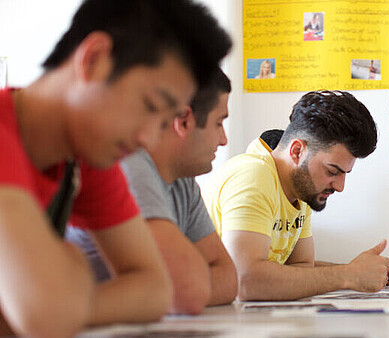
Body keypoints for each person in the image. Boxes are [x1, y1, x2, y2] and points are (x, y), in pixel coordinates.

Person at [0, 0, 231, 336]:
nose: (149, 137)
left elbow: (156, 290)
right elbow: (44, 316)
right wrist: (55, 297)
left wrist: (66, 293)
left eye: (165, 120)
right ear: (93, 59)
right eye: (150, 106)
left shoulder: (82, 159)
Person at [204, 90, 389, 301]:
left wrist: (363, 271)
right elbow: (244, 281)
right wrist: (349, 275)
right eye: (332, 171)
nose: (340, 186)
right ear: (297, 151)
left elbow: (300, 268)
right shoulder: (254, 175)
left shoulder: (302, 191)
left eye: (345, 174)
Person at [67, 69, 237, 314]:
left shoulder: (183, 182)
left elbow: (228, 278)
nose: (223, 140)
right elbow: (187, 291)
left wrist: (163, 291)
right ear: (184, 122)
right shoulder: (129, 163)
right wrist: (174, 289)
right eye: (219, 123)